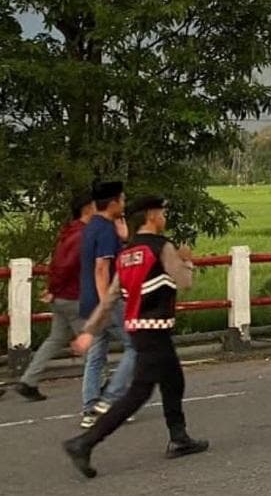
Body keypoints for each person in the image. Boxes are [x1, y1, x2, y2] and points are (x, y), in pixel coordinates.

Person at [62, 195, 208, 479]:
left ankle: (179, 436)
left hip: (139, 329)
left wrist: (89, 331)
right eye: (162, 213)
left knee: (173, 380)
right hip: (155, 329)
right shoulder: (161, 247)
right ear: (152, 216)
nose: (164, 218)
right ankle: (84, 443)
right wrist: (186, 261)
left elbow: (110, 299)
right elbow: (185, 282)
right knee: (138, 393)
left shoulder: (126, 253)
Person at [14, 194, 95, 402]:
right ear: (87, 208)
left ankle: (29, 380)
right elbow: (67, 266)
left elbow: (57, 263)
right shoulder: (83, 235)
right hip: (74, 296)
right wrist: (55, 288)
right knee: (91, 342)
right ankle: (99, 383)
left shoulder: (69, 232)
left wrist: (53, 288)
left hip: (62, 296)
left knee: (56, 339)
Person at [78, 181, 136, 429]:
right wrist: (106, 306)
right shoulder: (105, 230)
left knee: (96, 355)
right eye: (122, 200)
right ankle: (111, 400)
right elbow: (101, 268)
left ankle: (90, 406)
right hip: (106, 301)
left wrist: (123, 240)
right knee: (135, 345)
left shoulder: (91, 226)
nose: (124, 204)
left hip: (87, 300)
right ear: (112, 203)